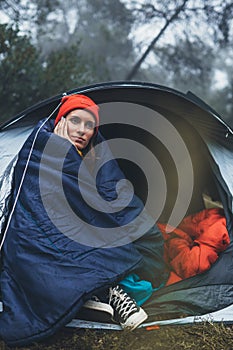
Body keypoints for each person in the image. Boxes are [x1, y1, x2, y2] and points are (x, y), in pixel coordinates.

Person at [53, 94, 149, 330]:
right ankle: (103, 292)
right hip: (61, 240)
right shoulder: (41, 152)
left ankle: (100, 293)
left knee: (144, 261)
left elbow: (111, 197)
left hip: (93, 235)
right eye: (75, 121)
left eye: (89, 126)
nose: (82, 130)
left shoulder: (95, 158)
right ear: (61, 122)